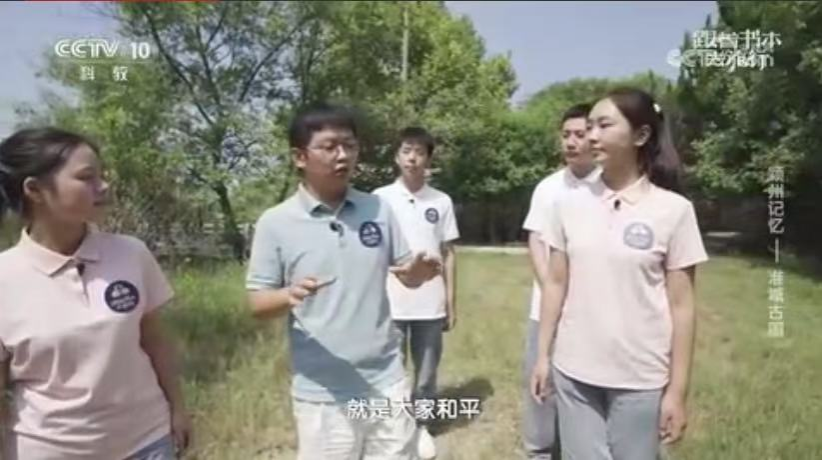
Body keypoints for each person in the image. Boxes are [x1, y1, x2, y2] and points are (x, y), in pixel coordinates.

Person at [245, 104, 442, 460]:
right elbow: (257, 304)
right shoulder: (275, 223)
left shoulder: (378, 209)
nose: (343, 156)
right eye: (329, 146)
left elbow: (406, 274)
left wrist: (419, 272)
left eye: (349, 146)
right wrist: (289, 295)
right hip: (323, 394)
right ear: (300, 157)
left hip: (386, 380)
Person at [531, 87, 708, 460]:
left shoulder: (674, 211)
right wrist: (543, 356)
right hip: (574, 372)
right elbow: (556, 283)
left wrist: (677, 391)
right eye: (590, 126)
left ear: (641, 135)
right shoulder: (567, 204)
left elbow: (682, 307)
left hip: (640, 378)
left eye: (604, 125)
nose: (591, 135)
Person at [0, 128, 192, 460]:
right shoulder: (6, 277)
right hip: (50, 450)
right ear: (34, 190)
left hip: (148, 442)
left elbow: (154, 340)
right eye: (86, 177)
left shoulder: (131, 253)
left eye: (101, 176)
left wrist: (178, 408)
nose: (103, 186)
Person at [373, 127, 460, 459]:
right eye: (406, 151)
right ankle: (394, 427)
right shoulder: (380, 199)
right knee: (390, 371)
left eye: (419, 152)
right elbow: (372, 252)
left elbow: (449, 253)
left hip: (430, 303)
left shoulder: (441, 201)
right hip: (390, 301)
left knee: (426, 372)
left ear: (428, 159)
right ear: (396, 157)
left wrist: (451, 301)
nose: (412, 158)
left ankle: (422, 426)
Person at [520, 103, 600, 459]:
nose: (571, 142)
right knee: (541, 381)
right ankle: (540, 450)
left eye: (579, 134)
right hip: (547, 308)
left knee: (587, 386)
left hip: (595, 309)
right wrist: (553, 288)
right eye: (566, 135)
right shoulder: (548, 188)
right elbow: (536, 240)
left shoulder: (609, 186)